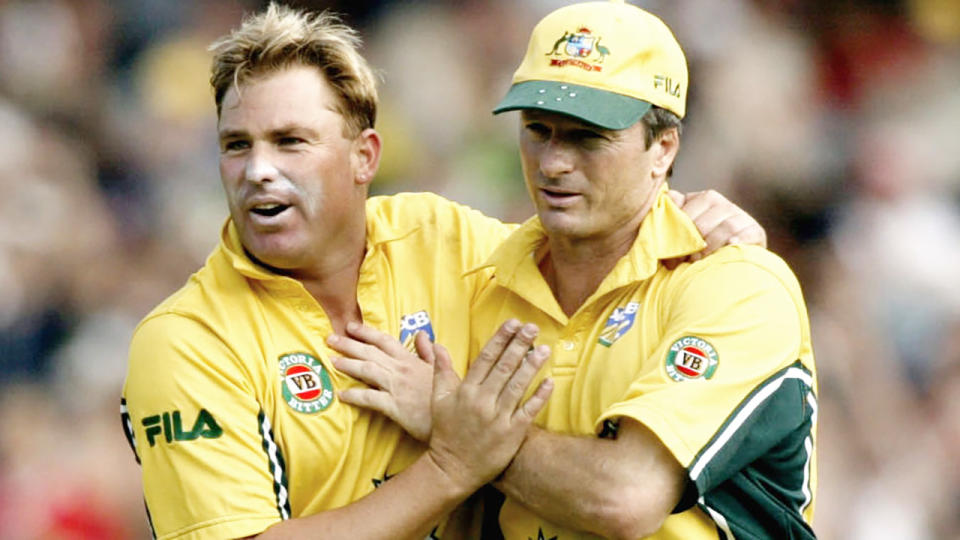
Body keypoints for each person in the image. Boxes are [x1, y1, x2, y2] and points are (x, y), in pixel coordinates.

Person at [121, 3, 769, 539]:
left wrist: (701, 231)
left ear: (364, 156)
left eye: (290, 142)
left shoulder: (442, 239)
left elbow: (597, 259)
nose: (258, 169)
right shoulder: (185, 341)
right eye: (238, 145)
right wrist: (452, 465)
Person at [334, 1, 818, 538]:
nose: (553, 163)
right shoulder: (484, 275)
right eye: (538, 129)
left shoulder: (735, 285)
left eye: (588, 136)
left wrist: (456, 424)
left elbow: (625, 498)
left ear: (663, 147)